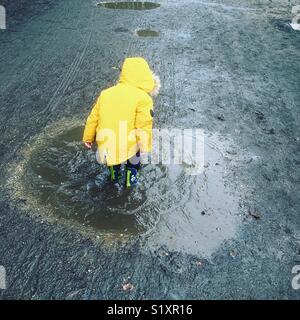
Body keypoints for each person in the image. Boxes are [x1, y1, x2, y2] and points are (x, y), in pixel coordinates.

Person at [83, 57, 160, 188]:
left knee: (113, 158)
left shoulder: (106, 93)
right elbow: (143, 126)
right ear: (146, 76)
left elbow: (93, 117)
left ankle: (114, 176)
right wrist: (144, 147)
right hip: (128, 143)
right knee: (134, 159)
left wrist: (88, 137)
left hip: (107, 140)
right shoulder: (143, 99)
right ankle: (130, 181)